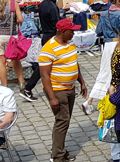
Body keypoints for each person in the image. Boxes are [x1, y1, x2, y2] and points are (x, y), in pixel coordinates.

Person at [40, 18, 89, 162]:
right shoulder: (48, 49)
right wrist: (52, 97)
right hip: (57, 90)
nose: (73, 33)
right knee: (62, 121)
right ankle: (58, 156)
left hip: (70, 88)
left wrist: (82, 82)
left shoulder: (71, 43)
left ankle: (60, 150)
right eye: (71, 31)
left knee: (65, 121)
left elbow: (74, 63)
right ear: (62, 31)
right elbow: (44, 75)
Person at [83, 0, 120, 114]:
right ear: (119, 2)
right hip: (117, 45)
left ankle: (91, 100)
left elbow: (98, 32)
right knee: (114, 72)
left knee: (104, 71)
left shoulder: (105, 14)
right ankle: (95, 101)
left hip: (107, 45)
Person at [20, 0, 65, 102]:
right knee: (45, 66)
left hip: (46, 36)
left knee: (50, 64)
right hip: (52, 38)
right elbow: (57, 25)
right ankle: (28, 88)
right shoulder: (51, 7)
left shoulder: (44, 4)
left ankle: (58, 88)